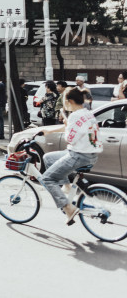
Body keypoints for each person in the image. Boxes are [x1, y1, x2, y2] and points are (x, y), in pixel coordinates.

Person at [38, 88, 103, 225]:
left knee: (47, 178)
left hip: (79, 155)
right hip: (90, 154)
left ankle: (68, 208)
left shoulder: (75, 116)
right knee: (48, 158)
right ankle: (66, 186)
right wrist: (50, 130)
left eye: (64, 101)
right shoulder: (87, 114)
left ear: (70, 101)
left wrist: (67, 126)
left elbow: (70, 139)